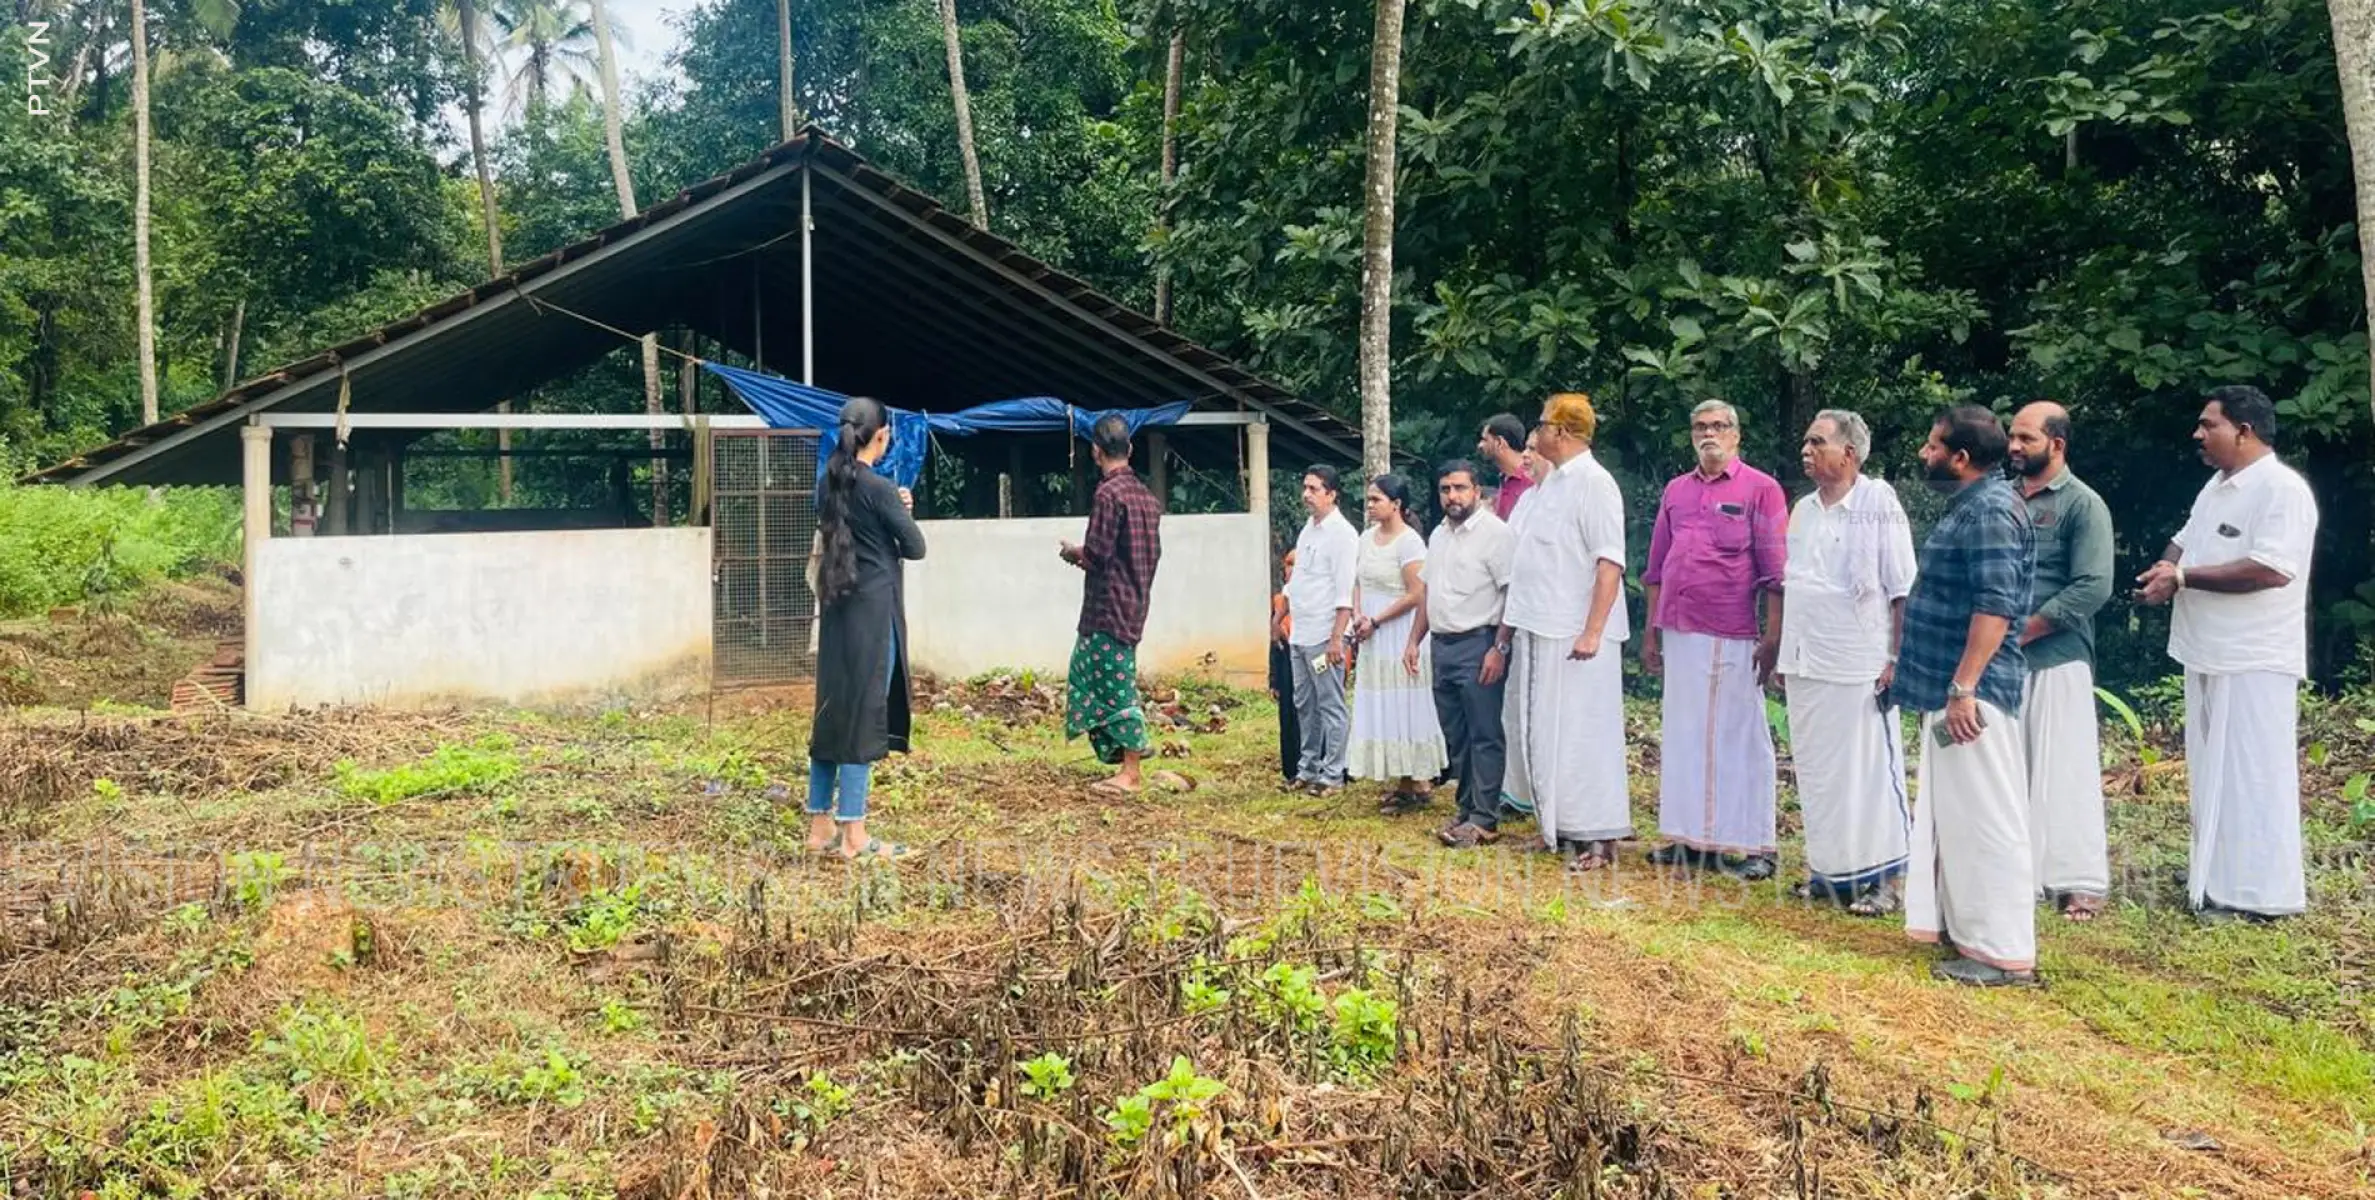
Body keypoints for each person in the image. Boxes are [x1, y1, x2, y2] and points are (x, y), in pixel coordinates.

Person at [2135, 386, 2320, 923]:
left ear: (2244, 430)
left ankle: (2261, 896)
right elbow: (2183, 540)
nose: (2198, 434)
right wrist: (2164, 571)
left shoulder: (2283, 490)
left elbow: (2272, 569)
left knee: (2253, 774)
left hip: (2254, 656)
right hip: (2207, 650)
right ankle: (2215, 870)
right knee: (2212, 768)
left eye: (2207, 424)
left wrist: (2185, 577)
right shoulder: (2217, 486)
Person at [1894, 405, 2037, 986]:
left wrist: (1964, 688)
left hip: (1975, 694)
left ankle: (2003, 952)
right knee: (1959, 817)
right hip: (1955, 687)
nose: (1924, 455)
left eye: (1932, 446)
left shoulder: (1993, 512)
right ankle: (1969, 934)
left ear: (1959, 458)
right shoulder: (1973, 506)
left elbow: (1995, 606)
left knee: (1987, 819)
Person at [1640, 400, 1789, 880]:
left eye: (1719, 426)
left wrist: (1773, 638)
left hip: (1735, 630)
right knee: (1685, 734)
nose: (1710, 434)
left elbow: (1775, 573)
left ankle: (1756, 843)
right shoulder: (1677, 491)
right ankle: (1691, 840)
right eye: (1701, 427)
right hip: (1681, 627)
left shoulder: (1761, 490)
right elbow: (1656, 568)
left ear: (1736, 435)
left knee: (1740, 737)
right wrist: (1651, 633)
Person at [1777, 411, 1916, 916]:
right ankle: (1832, 872)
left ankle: (1887, 879)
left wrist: (1896, 657)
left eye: (1817, 442)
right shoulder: (1803, 510)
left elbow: (1901, 590)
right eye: (1806, 441)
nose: (1806, 450)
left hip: (1860, 660)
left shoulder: (1878, 505)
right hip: (1807, 659)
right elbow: (1797, 585)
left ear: (1849, 454)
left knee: (1870, 771)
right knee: (1817, 770)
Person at [1498, 391, 1633, 872]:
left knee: (1584, 732)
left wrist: (1592, 631)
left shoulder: (1595, 484)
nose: (1534, 435)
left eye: (1541, 426)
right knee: (1545, 733)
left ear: (1562, 432)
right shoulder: (1550, 485)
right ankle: (1556, 825)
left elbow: (1609, 562)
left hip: (1577, 633)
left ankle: (1598, 836)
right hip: (1540, 626)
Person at [2006, 401, 2115, 923]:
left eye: (2026, 438)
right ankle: (2015, 876)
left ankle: (2078, 883)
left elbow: (2094, 584)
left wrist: (2026, 630)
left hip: (2056, 655)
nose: (2014, 446)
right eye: (2012, 437)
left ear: (2057, 445)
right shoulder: (2000, 499)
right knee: (2008, 770)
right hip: (1999, 658)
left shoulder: (2081, 504)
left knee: (2064, 769)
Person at [806, 397, 927, 862]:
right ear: (881, 436)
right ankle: (854, 834)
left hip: (836, 608)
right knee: (862, 714)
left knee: (831, 709)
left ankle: (819, 825)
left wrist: (892, 507)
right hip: (874, 616)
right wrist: (901, 508)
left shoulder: (828, 484)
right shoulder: (878, 488)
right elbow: (914, 547)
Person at [1408, 459, 1515, 848]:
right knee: (1457, 734)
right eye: (1445, 489)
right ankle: (1466, 808)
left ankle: (1485, 819)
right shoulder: (1438, 535)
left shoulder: (1496, 534)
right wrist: (1413, 640)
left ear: (1476, 491)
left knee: (1484, 732)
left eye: (1459, 488)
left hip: (1480, 643)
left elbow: (1510, 595)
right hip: (1443, 645)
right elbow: (1427, 592)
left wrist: (1499, 648)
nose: (1452, 496)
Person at [1059, 414, 1165, 795]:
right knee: (1090, 674)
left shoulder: (1108, 495)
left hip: (1107, 607)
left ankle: (1132, 767)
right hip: (1134, 600)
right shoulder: (1145, 497)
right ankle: (1123, 752)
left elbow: (1099, 554)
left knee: (1116, 685)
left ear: (1095, 451)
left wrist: (1075, 553)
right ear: (1130, 449)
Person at [1346, 474, 1449, 809]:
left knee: (1405, 700)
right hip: (1370, 629)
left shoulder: (1409, 543)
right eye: (1370, 499)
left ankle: (1417, 780)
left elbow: (1418, 593)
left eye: (1377, 499)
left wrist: (1377, 620)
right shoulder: (1365, 539)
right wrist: (1360, 615)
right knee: (1382, 701)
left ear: (1397, 504)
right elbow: (1357, 582)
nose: (1371, 505)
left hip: (1400, 629)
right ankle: (1404, 779)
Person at [1283, 465, 1360, 796]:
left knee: (1330, 703)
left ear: (1332, 494)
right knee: (1304, 702)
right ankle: (1307, 768)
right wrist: (1279, 619)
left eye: (1314, 489)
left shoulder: (1343, 535)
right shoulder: (1308, 530)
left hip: (1325, 634)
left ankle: (1333, 774)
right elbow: (1297, 580)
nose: (1306, 494)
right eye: (1305, 487)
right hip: (1301, 632)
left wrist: (1336, 639)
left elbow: (1345, 590)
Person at [1270, 549, 1302, 784]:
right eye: (1287, 565)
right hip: (1286, 665)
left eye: (1294, 565)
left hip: (1307, 659)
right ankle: (1291, 768)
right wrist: (1274, 680)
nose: (1290, 570)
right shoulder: (1279, 601)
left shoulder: (1313, 599)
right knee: (1287, 716)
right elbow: (1273, 644)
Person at [1478, 413, 1535, 521]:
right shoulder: (1504, 478)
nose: (1480, 445)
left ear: (1499, 442)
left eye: (1485, 440)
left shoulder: (1531, 479)